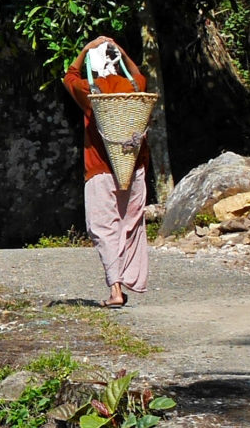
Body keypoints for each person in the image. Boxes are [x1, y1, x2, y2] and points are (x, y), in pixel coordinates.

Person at [63, 35, 150, 308]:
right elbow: (137, 72)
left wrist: (86, 48)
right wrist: (120, 50)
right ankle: (127, 279)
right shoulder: (135, 86)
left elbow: (69, 75)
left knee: (103, 227)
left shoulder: (91, 92)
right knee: (129, 225)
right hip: (133, 166)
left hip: (100, 168)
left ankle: (116, 289)